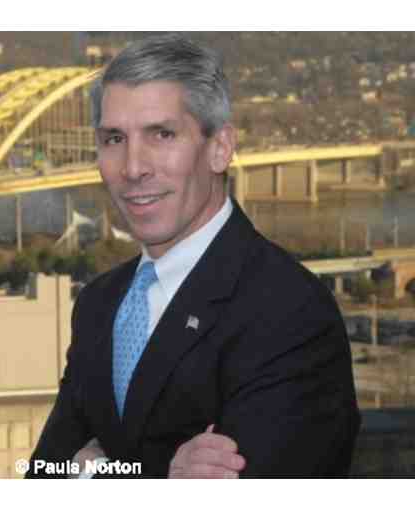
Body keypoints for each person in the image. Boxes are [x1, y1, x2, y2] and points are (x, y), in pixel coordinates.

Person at [26, 33, 360, 478]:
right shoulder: (98, 305)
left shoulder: (289, 311)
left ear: (220, 148)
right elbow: (42, 476)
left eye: (162, 134)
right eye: (114, 139)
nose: (133, 167)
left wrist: (88, 472)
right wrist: (162, 474)